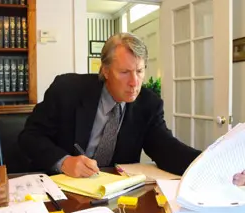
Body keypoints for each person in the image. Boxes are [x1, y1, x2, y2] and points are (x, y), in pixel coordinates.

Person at [18, 32, 245, 185]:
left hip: (116, 194)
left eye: (139, 71)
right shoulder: (67, 89)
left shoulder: (149, 103)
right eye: (124, 72)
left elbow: (168, 151)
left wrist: (218, 168)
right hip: (61, 187)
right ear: (105, 70)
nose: (134, 82)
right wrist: (64, 161)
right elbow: (30, 137)